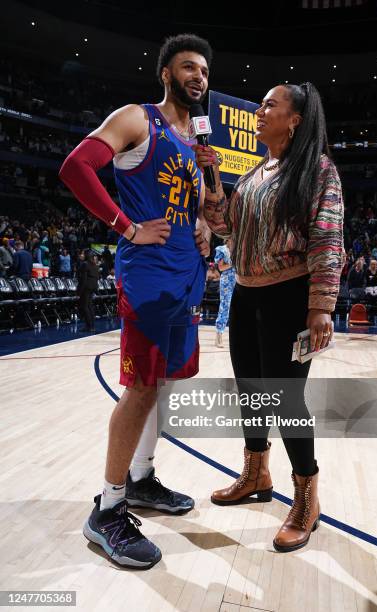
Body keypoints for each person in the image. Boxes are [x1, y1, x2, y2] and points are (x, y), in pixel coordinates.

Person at [59, 33, 212, 569]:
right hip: (147, 277)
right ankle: (107, 509)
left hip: (183, 275)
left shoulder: (192, 142)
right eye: (189, 67)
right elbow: (76, 167)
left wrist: (201, 229)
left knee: (162, 382)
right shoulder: (136, 118)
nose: (200, 76)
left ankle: (142, 479)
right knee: (141, 386)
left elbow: (185, 207)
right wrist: (124, 227)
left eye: (205, 71)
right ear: (167, 74)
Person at [193, 81, 344, 552]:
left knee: (285, 399)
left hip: (291, 296)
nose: (260, 112)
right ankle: (257, 472)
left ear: (294, 119)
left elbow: (327, 237)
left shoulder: (317, 169)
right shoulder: (259, 172)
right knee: (251, 391)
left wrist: (320, 305)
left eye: (269, 105)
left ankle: (306, 496)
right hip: (248, 293)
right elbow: (226, 227)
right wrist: (213, 180)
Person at [214, 239, 235, 348]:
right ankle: (219, 335)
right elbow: (221, 267)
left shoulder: (238, 248)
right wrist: (233, 263)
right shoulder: (222, 249)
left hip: (238, 280)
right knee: (225, 307)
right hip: (227, 280)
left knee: (237, 308)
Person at [77, 250, 99, 332]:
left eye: (83, 254)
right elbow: (97, 278)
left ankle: (89, 326)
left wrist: (79, 291)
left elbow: (83, 280)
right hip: (93, 287)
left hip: (86, 288)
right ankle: (92, 326)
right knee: (90, 306)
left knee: (85, 307)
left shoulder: (85, 264)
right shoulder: (95, 265)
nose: (82, 255)